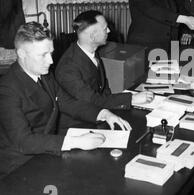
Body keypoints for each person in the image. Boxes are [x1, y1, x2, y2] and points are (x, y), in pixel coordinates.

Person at [0, 22, 132, 178]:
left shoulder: (44, 75)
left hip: (45, 152)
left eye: (51, 53)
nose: (50, 61)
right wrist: (75, 141)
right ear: (22, 54)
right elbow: (24, 141)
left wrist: (103, 113)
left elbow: (68, 103)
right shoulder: (7, 89)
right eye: (43, 55)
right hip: (19, 166)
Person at [55, 10, 154, 111]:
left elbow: (104, 87)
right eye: (105, 28)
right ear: (93, 36)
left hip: (99, 109)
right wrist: (132, 98)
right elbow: (92, 100)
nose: (109, 31)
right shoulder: (68, 68)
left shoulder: (91, 51)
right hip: (81, 119)